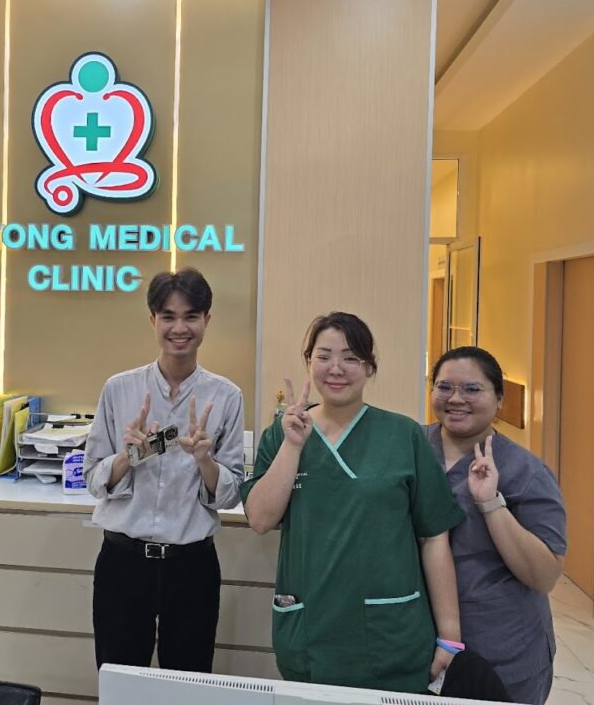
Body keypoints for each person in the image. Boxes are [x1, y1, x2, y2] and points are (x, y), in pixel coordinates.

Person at [242, 312, 464, 694]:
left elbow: (433, 538)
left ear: (369, 366)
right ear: (309, 361)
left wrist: (450, 636)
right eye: (324, 356)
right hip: (310, 634)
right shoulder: (282, 436)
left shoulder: (403, 435)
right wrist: (293, 447)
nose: (336, 368)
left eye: (351, 358)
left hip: (392, 635)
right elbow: (260, 519)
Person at [82, 267, 245, 674]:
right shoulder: (119, 389)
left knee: (187, 685)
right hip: (123, 562)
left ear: (206, 320)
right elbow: (93, 478)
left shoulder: (226, 396)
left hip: (192, 566)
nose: (179, 328)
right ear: (153, 319)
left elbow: (230, 493)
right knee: (121, 681)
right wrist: (128, 456)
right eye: (168, 316)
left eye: (191, 316)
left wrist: (205, 460)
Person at [427, 346, 567, 705]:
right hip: (421, 642)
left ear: (500, 398)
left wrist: (490, 503)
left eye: (472, 389)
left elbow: (544, 576)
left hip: (502, 648)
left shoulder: (526, 472)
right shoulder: (411, 448)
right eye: (444, 387)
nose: (456, 399)